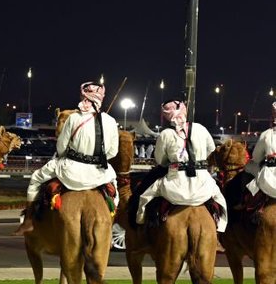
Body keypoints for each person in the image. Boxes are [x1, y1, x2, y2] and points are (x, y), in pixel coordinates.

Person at [14, 81, 119, 235]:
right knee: (115, 190)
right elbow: (112, 152)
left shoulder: (73, 118)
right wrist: (97, 158)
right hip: (100, 173)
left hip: (71, 170)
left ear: (84, 96)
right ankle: (110, 222)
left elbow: (61, 147)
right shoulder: (110, 121)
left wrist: (69, 155)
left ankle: (28, 220)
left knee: (36, 178)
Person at [136, 99, 227, 233]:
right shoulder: (201, 129)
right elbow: (211, 148)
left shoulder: (165, 134)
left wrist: (173, 162)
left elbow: (161, 160)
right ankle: (221, 228)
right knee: (220, 199)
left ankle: (141, 224)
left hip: (175, 183)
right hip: (202, 182)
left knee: (145, 197)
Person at [244, 102, 276, 200]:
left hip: (269, 178)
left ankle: (244, 201)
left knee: (248, 166)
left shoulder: (266, 135)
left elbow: (256, 157)